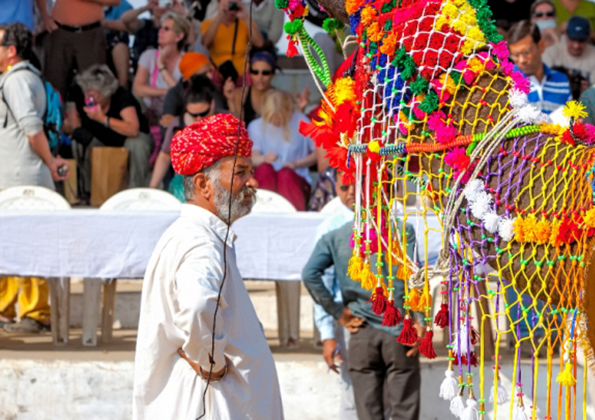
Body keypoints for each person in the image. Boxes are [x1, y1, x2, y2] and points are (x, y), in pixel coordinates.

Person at [133, 113, 284, 419]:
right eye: (240, 172)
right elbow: (199, 305)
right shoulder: (200, 242)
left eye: (251, 171)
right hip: (209, 403)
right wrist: (210, 362)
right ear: (204, 184)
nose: (253, 182)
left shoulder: (195, 235)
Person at [0, 22, 68, 334]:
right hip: (10, 179)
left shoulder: (18, 81)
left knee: (28, 247)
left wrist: (49, 162)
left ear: (11, 51)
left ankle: (35, 313)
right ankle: (5, 311)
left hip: (21, 181)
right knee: (7, 247)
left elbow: (32, 129)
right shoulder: (12, 79)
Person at [302, 210, 420, 420]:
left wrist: (337, 312)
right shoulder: (403, 230)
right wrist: (419, 320)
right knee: (405, 411)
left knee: (367, 414)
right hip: (399, 330)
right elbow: (414, 277)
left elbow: (310, 274)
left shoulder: (337, 236)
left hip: (360, 332)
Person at [310, 177, 358, 420]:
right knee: (352, 390)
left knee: (388, 391)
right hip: (350, 320)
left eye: (357, 185)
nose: (351, 192)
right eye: (344, 187)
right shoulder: (331, 227)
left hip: (387, 319)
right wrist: (328, 334)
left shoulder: (390, 220)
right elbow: (320, 281)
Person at [66, 64, 153, 195]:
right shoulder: (82, 97)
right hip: (101, 139)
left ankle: (134, 191)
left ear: (106, 92)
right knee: (79, 140)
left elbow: (133, 129)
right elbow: (75, 119)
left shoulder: (122, 96)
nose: (87, 97)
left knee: (136, 143)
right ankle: (89, 190)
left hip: (127, 138)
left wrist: (103, 119)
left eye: (92, 94)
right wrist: (75, 128)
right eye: (85, 92)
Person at [248, 89, 316, 210]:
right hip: (267, 179)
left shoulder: (302, 121)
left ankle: (293, 217)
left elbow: (316, 155)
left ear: (290, 111)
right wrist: (264, 158)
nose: (277, 122)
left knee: (286, 175)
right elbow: (253, 158)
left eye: (282, 118)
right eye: (272, 119)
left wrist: (295, 164)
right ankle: (260, 213)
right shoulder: (255, 126)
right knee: (264, 169)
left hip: (295, 179)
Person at [149, 75, 217, 195]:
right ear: (186, 109)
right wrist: (151, 189)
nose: (199, 118)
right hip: (183, 184)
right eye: (194, 114)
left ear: (212, 104)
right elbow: (165, 156)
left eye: (203, 113)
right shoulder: (177, 125)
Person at [506, 20, 571, 114]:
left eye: (526, 53)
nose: (521, 60)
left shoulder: (561, 81)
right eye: (515, 55)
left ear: (541, 46)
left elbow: (569, 119)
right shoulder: (508, 83)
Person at [133, 13, 188, 123]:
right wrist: (166, 92)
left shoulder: (187, 59)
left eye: (166, 29)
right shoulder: (149, 55)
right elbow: (137, 88)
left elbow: (183, 94)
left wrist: (161, 66)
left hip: (178, 115)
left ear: (179, 36)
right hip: (150, 115)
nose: (160, 31)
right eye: (160, 28)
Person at [201, 0, 264, 74]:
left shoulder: (246, 24)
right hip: (217, 73)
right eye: (227, 3)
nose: (230, 7)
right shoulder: (208, 24)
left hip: (242, 74)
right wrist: (220, 15)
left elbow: (259, 43)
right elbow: (205, 42)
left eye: (233, 3)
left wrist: (245, 17)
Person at [542, 16, 595, 99]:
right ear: (565, 35)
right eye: (573, 39)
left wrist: (589, 90)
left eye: (581, 41)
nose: (576, 45)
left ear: (588, 37)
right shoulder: (551, 53)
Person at [160, 52, 228, 127]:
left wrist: (178, 121)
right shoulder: (174, 94)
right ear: (190, 78)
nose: (210, 76)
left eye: (210, 71)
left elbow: (219, 118)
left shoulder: (212, 88)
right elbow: (165, 126)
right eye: (204, 73)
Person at [228, 50, 278, 122]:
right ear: (250, 74)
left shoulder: (281, 98)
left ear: (272, 75)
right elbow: (237, 126)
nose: (260, 77)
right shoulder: (239, 95)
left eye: (265, 73)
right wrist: (230, 100)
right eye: (255, 72)